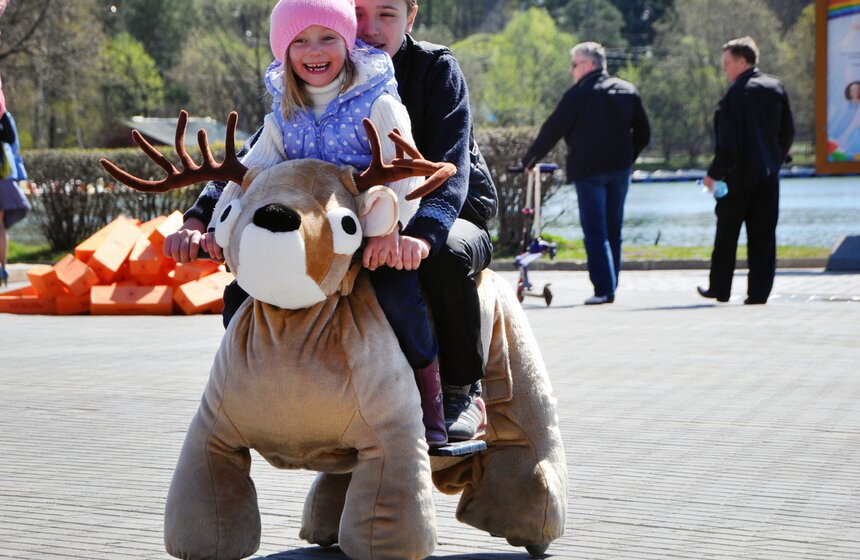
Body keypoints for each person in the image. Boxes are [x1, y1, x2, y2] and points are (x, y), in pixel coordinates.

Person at [172, 0, 497, 443]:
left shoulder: (432, 70)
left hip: (447, 206)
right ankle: (261, 391)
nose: (371, 27)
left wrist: (420, 234)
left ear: (411, 17)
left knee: (443, 258)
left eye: (386, 14)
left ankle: (460, 389)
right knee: (255, 280)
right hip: (356, 213)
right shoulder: (315, 77)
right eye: (358, 13)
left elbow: (448, 160)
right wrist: (201, 215)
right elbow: (258, 158)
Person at [520, 41, 650, 305]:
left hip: (589, 172)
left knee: (595, 231)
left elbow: (552, 130)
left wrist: (530, 160)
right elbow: (644, 134)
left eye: (574, 65)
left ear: (589, 64)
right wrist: (627, 159)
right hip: (619, 172)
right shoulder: (627, 91)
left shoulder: (578, 96)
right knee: (614, 229)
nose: (572, 71)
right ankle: (611, 285)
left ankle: (604, 289)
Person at [698, 36, 794, 305]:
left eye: (727, 63)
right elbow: (787, 132)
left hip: (737, 176)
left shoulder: (736, 94)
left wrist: (714, 174)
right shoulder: (775, 88)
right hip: (767, 175)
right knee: (764, 235)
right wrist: (774, 161)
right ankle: (759, 293)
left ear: (742, 62)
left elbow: (728, 144)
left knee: (727, 232)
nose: (724, 68)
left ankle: (720, 288)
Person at [0, 79, 30, 287]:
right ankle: (2, 269)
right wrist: (19, 178)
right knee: (0, 226)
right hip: (4, 176)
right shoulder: (5, 118)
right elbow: (15, 149)